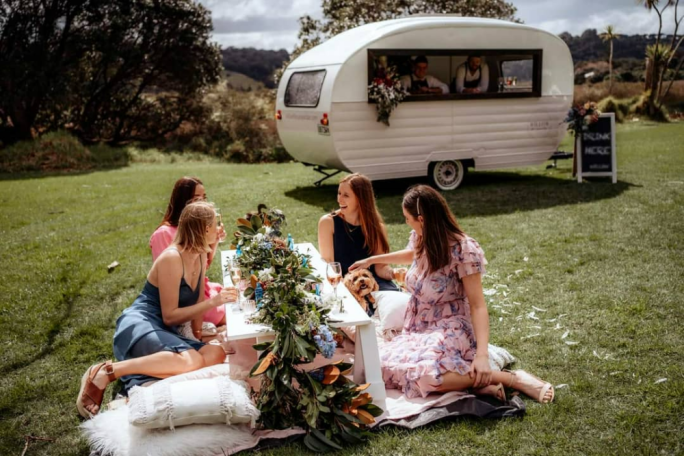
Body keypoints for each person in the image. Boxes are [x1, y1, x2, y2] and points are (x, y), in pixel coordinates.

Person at [349, 185, 554, 403]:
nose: (406, 222)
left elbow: (478, 305)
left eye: (407, 218)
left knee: (427, 377)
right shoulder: (422, 238)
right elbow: (414, 255)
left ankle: (513, 379)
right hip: (420, 326)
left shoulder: (463, 249)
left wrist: (482, 356)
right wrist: (372, 260)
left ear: (422, 219)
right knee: (383, 366)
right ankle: (479, 386)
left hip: (452, 325)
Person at [76, 201, 238, 418]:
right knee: (193, 361)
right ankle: (107, 371)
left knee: (215, 353)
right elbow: (170, 316)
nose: (219, 229)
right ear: (205, 229)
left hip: (165, 326)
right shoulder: (172, 258)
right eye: (216, 224)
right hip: (143, 321)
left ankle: (161, 367)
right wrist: (214, 302)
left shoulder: (199, 252)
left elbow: (197, 298)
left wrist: (197, 337)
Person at [318, 173, 409, 317]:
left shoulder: (377, 227)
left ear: (361, 199)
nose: (339, 199)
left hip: (374, 283)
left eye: (346, 195)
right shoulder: (328, 223)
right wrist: (347, 288)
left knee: (400, 310)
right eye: (339, 193)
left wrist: (394, 273)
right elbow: (329, 264)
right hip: (344, 285)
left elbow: (380, 267)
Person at [150, 176, 226, 326]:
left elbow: (201, 269)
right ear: (183, 201)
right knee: (231, 317)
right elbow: (168, 280)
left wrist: (214, 241)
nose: (203, 203)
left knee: (237, 302)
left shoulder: (197, 230)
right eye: (197, 199)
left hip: (199, 289)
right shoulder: (164, 234)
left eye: (204, 198)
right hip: (183, 299)